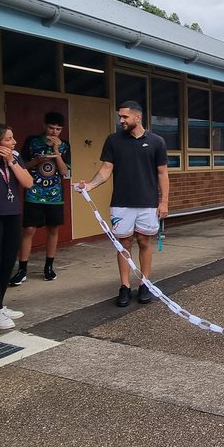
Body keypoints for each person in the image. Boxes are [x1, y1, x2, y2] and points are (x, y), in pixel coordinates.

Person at [76, 101, 170, 307]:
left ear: (138, 117)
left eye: (125, 117)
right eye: (120, 117)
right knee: (123, 245)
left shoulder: (157, 141)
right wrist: (91, 185)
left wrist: (164, 202)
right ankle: (125, 286)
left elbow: (163, 173)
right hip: (121, 203)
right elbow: (106, 169)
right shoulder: (113, 140)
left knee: (144, 242)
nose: (121, 120)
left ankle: (145, 283)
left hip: (147, 203)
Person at [0, 122, 33, 329]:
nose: (14, 142)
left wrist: (11, 161)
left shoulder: (16, 157)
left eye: (13, 138)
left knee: (8, 261)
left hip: (13, 213)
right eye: (8, 139)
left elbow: (28, 183)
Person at [11, 111, 70, 285]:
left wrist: (56, 151)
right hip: (34, 192)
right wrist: (37, 161)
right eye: (51, 128)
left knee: (53, 229)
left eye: (58, 129)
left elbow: (65, 172)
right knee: (29, 229)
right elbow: (21, 166)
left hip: (55, 195)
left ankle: (49, 267)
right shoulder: (32, 142)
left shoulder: (65, 145)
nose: (54, 132)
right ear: (45, 126)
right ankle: (22, 269)